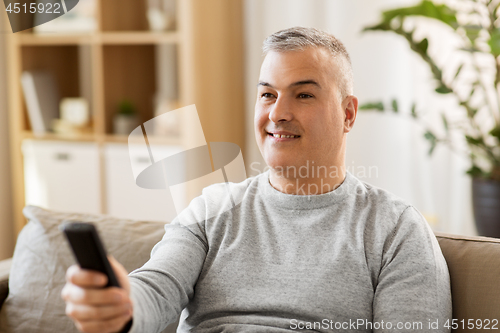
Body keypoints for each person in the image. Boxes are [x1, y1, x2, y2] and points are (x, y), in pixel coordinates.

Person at [62, 27, 452, 333]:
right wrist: (122, 303)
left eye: (303, 95)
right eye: (267, 94)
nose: (277, 113)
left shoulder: (395, 229)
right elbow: (155, 289)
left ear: (348, 114)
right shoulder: (211, 209)